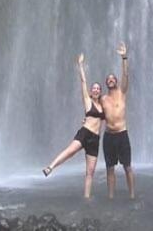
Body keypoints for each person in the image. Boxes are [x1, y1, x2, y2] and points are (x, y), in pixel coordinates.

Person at [42, 54, 105, 198]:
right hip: (85, 133)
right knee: (70, 152)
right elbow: (83, 81)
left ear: (100, 92)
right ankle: (50, 167)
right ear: (91, 91)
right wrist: (80, 65)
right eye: (93, 88)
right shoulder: (88, 101)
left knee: (90, 172)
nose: (95, 90)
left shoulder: (103, 106)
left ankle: (86, 197)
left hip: (95, 139)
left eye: (98, 89)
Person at [101, 42, 135, 200]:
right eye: (108, 80)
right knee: (109, 169)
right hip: (108, 137)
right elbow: (94, 112)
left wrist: (124, 57)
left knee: (127, 167)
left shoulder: (122, 92)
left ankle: (132, 195)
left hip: (122, 134)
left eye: (113, 79)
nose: (110, 81)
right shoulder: (103, 99)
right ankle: (110, 197)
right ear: (106, 83)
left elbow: (126, 75)